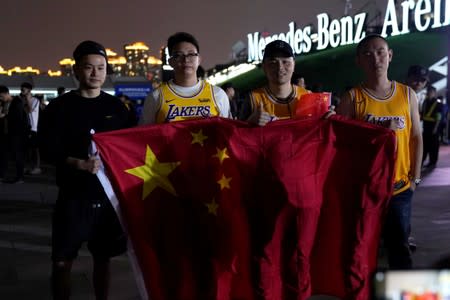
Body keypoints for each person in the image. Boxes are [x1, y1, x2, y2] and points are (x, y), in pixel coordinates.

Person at [39, 40, 130, 300]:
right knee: (61, 261)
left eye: (101, 68)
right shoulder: (59, 108)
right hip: (72, 197)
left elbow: (130, 147)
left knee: (103, 260)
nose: (95, 73)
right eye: (89, 67)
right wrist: (77, 163)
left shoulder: (117, 109)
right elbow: (46, 149)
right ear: (75, 70)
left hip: (107, 198)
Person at [336, 34, 423, 269]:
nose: (375, 58)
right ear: (359, 62)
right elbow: (341, 143)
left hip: (400, 189)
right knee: (363, 251)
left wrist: (414, 177)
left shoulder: (407, 95)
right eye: (367, 54)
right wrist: (374, 130)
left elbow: (416, 137)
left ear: (390, 55)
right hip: (366, 190)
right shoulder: (352, 98)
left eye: (380, 51)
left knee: (400, 249)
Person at [139, 32, 230, 124]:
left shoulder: (218, 95)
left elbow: (228, 133)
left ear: (199, 59)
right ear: (170, 61)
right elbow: (144, 135)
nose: (186, 60)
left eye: (191, 54)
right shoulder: (156, 97)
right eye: (179, 55)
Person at [239, 40, 311, 126]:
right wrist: (249, 124)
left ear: (294, 65)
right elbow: (237, 136)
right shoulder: (253, 100)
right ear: (264, 66)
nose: (280, 67)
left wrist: (329, 119)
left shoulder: (307, 97)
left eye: (285, 62)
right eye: (273, 62)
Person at [20, 82, 41, 175]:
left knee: (35, 149)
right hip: (24, 128)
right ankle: (28, 167)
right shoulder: (21, 100)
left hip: (33, 128)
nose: (21, 91)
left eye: (23, 89)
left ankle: (37, 167)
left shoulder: (35, 100)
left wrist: (27, 99)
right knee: (27, 149)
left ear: (29, 90)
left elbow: (29, 110)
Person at [421, 85, 443, 170]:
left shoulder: (438, 103)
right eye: (428, 92)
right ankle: (422, 161)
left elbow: (438, 117)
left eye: (430, 92)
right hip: (426, 126)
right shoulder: (425, 101)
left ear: (434, 93)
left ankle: (432, 162)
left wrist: (435, 129)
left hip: (434, 126)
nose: (428, 93)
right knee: (425, 145)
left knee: (433, 146)